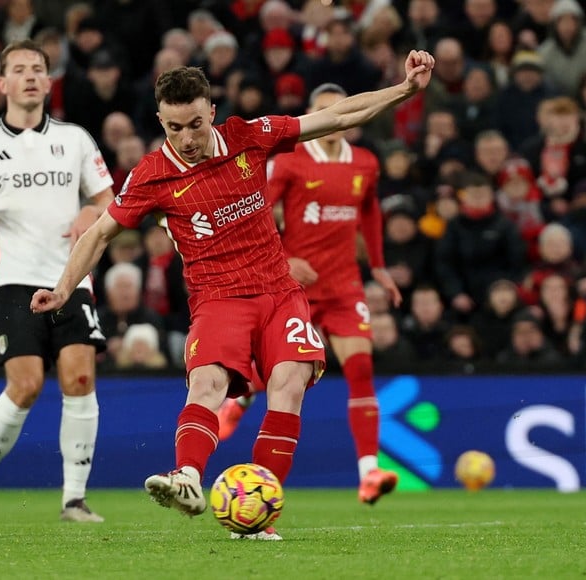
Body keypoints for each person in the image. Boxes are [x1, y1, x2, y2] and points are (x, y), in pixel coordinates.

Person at [30, 52, 435, 540]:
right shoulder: (152, 175)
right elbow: (97, 235)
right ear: (161, 120)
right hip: (218, 298)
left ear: (212, 112)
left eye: (196, 124)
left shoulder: (250, 136)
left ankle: (258, 520)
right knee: (208, 386)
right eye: (175, 127)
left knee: (288, 384)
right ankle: (187, 479)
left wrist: (405, 89)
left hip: (279, 291)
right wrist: (62, 288)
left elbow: (337, 115)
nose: (187, 137)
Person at [0, 40, 116, 525]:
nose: (30, 76)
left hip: (69, 277)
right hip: (11, 280)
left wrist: (89, 207)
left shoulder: (76, 139)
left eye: (38, 69)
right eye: (19, 70)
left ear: (49, 80)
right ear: (2, 84)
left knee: (80, 377)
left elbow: (109, 199)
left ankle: (74, 500)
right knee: (25, 385)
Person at [214, 82, 401, 506]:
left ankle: (369, 473)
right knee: (285, 371)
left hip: (344, 286)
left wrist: (380, 267)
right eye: (324, 110)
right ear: (313, 115)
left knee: (360, 370)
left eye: (339, 109)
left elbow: (370, 211)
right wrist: (282, 259)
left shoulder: (366, 164)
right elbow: (256, 210)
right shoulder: (292, 162)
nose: (333, 118)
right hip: (295, 287)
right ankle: (241, 398)